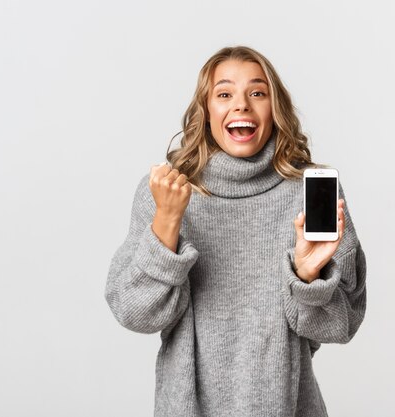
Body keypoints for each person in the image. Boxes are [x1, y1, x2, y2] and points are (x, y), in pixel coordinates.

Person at [105, 45, 367, 417]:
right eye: (224, 93)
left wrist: (308, 276)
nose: (241, 105)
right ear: (206, 110)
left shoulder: (311, 193)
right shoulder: (168, 193)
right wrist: (167, 223)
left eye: (257, 93)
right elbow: (137, 315)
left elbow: (340, 325)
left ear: (275, 108)